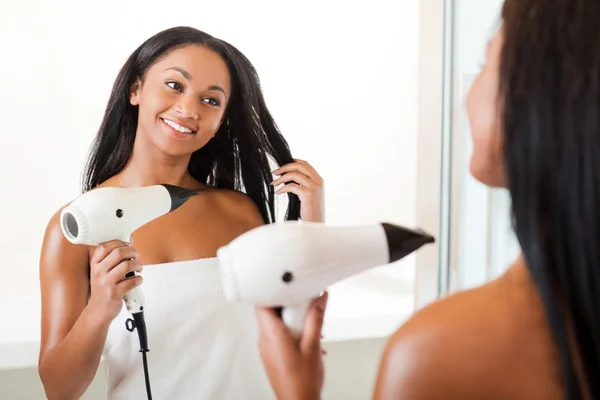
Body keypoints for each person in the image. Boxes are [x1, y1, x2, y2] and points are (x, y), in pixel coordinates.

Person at [255, 0, 600, 399]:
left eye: (486, 62)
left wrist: (298, 392)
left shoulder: (439, 351)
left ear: (548, 99)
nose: (466, 95)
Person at [37, 26, 325, 400]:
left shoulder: (238, 213)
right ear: (136, 89)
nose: (189, 109)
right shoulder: (75, 227)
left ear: (221, 120)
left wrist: (314, 220)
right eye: (175, 85)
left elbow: (297, 337)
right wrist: (100, 308)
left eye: (211, 100)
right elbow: (59, 389)